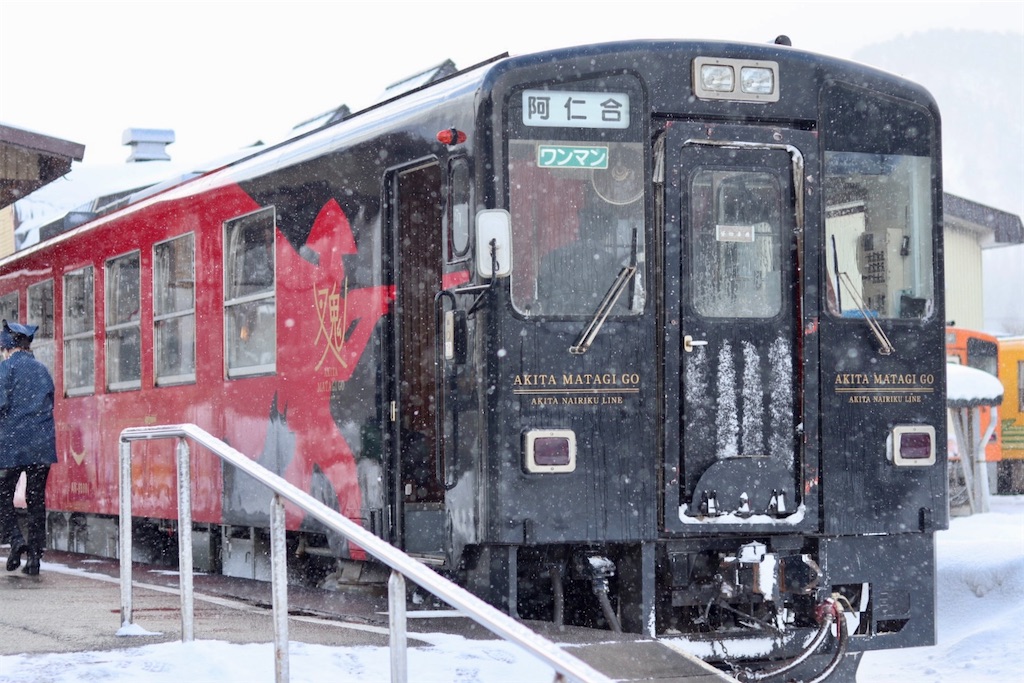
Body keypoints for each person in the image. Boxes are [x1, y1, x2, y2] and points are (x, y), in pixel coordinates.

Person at [0, 320, 56, 576]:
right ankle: (34, 557)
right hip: (41, 446)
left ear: (7, 348)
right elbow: (49, 403)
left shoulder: (5, 369)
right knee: (36, 501)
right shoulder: (42, 369)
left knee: (3, 497)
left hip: (11, 445)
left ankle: (15, 539)